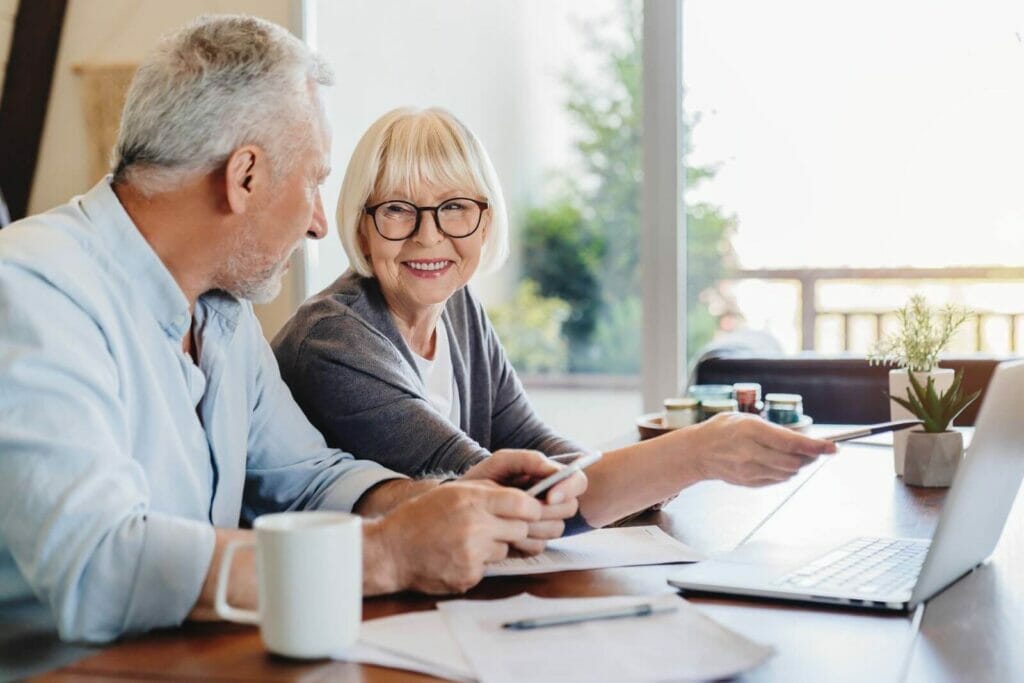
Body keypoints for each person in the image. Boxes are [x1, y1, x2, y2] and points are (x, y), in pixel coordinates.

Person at [0, 16, 586, 644]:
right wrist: (385, 554)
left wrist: (444, 498)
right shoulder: (32, 290)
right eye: (313, 182)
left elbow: (306, 477)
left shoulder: (222, 315)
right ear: (244, 176)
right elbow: (98, 567)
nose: (317, 224)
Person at [272, 107, 837, 529]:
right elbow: (502, 496)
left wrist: (640, 479)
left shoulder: (459, 308)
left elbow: (532, 442)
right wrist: (692, 454)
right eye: (397, 209)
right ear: (362, 225)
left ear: (486, 222)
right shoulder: (334, 341)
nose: (429, 235)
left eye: (454, 208)